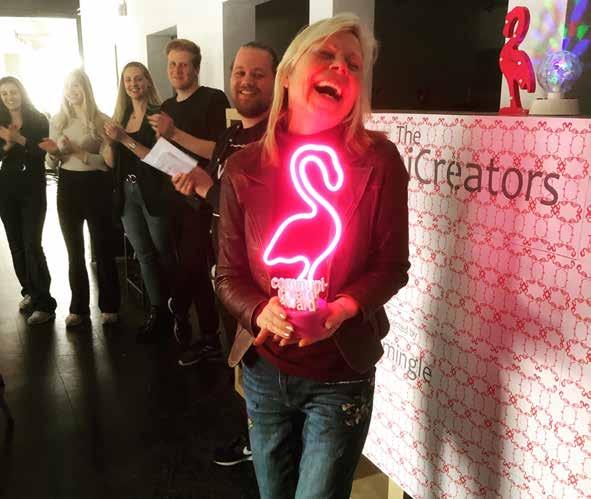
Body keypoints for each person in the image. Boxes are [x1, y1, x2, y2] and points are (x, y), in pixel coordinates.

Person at [216, 14, 410, 499]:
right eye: (326, 54)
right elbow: (228, 275)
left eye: (354, 64)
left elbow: (392, 266)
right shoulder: (242, 167)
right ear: (287, 73)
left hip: (339, 374)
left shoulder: (380, 162)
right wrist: (260, 310)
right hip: (264, 368)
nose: (341, 67)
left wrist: (341, 308)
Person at [171, 41, 277, 466]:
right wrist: (195, 187)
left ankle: (262, 442)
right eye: (240, 72)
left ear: (278, 81)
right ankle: (254, 434)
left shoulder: (277, 140)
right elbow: (219, 204)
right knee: (240, 362)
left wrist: (207, 189)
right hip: (227, 271)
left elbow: (264, 214)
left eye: (258, 74)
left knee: (259, 362)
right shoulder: (230, 136)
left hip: (261, 283)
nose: (246, 81)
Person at [148, 39, 229, 353]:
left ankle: (178, 306)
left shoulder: (213, 99)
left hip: (205, 197)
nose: (177, 70)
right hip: (173, 197)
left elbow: (219, 150)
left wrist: (174, 133)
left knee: (193, 264)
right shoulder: (167, 108)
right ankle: (208, 335)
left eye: (183, 64)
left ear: (196, 68)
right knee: (189, 267)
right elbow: (166, 153)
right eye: (172, 64)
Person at [102, 62, 178, 343]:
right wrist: (109, 142)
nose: (133, 84)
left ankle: (178, 307)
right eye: (128, 80)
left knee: (165, 252)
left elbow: (158, 160)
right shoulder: (120, 117)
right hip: (127, 192)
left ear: (147, 81)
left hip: (153, 193)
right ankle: (158, 312)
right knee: (143, 254)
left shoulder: (158, 115)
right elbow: (111, 163)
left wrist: (123, 139)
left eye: (138, 79)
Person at [40, 69, 120, 327]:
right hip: (68, 187)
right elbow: (51, 164)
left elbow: (107, 164)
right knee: (74, 252)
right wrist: (54, 153)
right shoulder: (58, 120)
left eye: (76, 86)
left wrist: (77, 151)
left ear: (86, 88)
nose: (71, 91)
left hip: (96, 187)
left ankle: (110, 306)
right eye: (67, 86)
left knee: (103, 249)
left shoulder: (101, 120)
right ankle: (78, 309)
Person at [0, 76, 57, 325]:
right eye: (4, 93)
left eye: (13, 92)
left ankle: (45, 303)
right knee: (16, 245)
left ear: (21, 93)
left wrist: (18, 139)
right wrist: (7, 145)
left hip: (33, 188)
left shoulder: (38, 119)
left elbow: (42, 151)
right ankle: (30, 292)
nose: (9, 97)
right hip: (6, 188)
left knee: (32, 244)